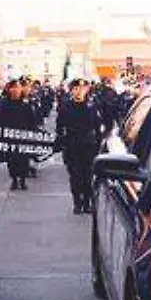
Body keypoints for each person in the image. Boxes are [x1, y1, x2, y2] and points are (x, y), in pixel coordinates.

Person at [55, 79, 108, 214]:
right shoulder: (65, 107)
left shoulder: (92, 106)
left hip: (89, 145)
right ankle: (77, 202)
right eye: (76, 89)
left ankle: (87, 202)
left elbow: (98, 127)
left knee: (88, 176)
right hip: (72, 145)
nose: (79, 91)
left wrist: (99, 145)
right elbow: (59, 127)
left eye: (82, 89)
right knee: (75, 176)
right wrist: (62, 142)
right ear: (71, 91)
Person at [0, 79, 37, 191]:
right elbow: (0, 120)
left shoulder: (26, 104)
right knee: (11, 160)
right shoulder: (5, 104)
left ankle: (23, 180)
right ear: (10, 90)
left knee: (24, 159)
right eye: (14, 88)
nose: (16, 90)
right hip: (10, 136)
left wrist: (33, 135)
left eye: (18, 88)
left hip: (24, 136)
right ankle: (14, 180)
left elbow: (32, 121)